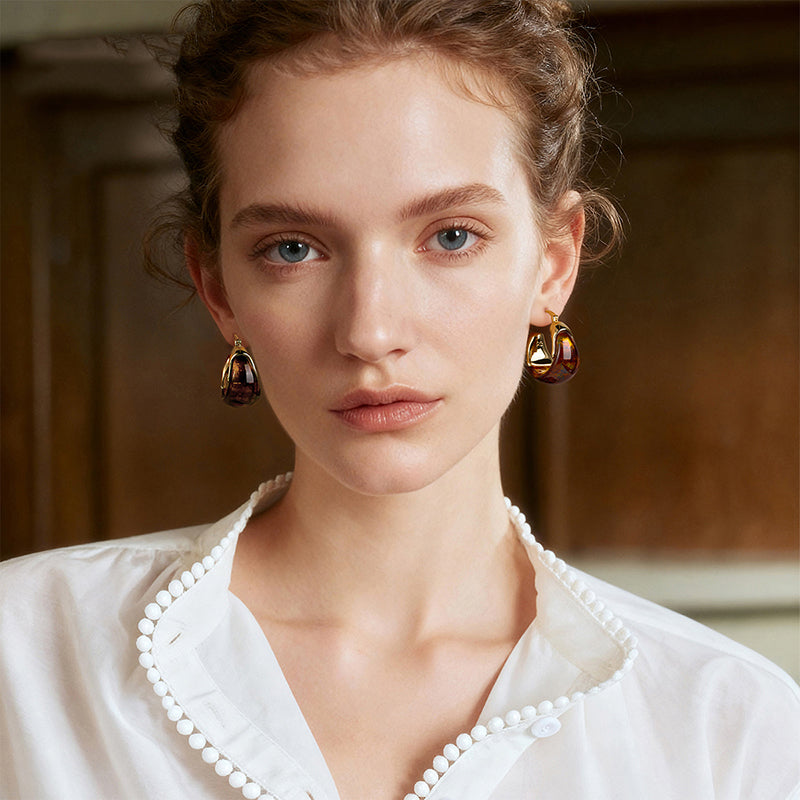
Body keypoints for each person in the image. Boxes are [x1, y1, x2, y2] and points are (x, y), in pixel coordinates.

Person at [1, 1, 798, 799]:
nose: (370, 331)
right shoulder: (26, 661)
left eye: (452, 236)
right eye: (292, 249)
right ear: (218, 289)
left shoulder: (729, 728)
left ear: (554, 263)